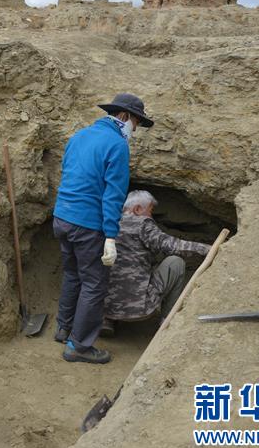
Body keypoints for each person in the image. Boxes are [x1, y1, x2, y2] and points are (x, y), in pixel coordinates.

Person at [51, 93, 153, 364]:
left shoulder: (80, 136)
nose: (135, 129)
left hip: (62, 217)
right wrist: (110, 235)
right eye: (136, 123)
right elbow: (113, 195)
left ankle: (64, 327)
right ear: (123, 117)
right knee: (94, 284)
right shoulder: (117, 145)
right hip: (88, 225)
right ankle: (79, 346)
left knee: (73, 274)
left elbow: (67, 172)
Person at [102, 190, 211, 335]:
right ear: (137, 209)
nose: (151, 216)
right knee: (175, 262)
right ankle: (166, 321)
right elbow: (172, 246)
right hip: (138, 308)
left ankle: (106, 320)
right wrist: (206, 248)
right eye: (150, 211)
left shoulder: (107, 222)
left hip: (102, 304)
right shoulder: (142, 223)